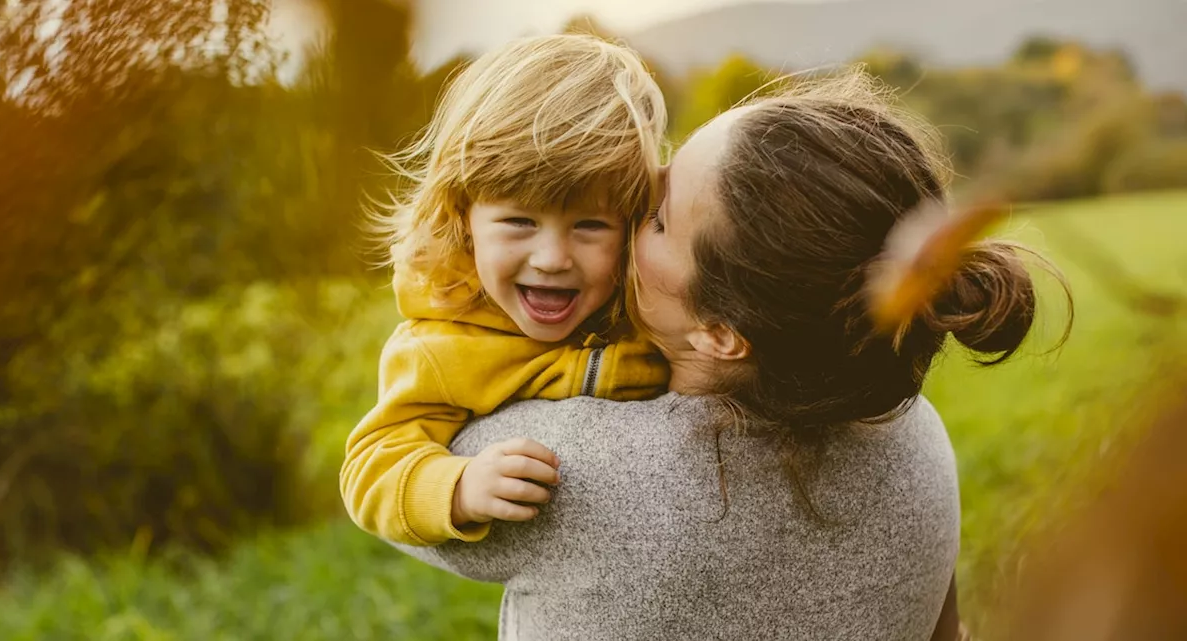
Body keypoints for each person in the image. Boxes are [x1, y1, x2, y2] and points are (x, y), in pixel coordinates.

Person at [394, 68, 1069, 640]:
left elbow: (394, 484)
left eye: (655, 217)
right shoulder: (915, 432)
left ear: (721, 332)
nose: (629, 204)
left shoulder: (558, 465)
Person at [339, 33, 671, 548]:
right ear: (462, 218)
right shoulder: (442, 346)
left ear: (631, 225)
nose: (552, 259)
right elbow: (371, 466)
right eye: (519, 222)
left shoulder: (651, 301)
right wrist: (458, 488)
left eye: (589, 226)